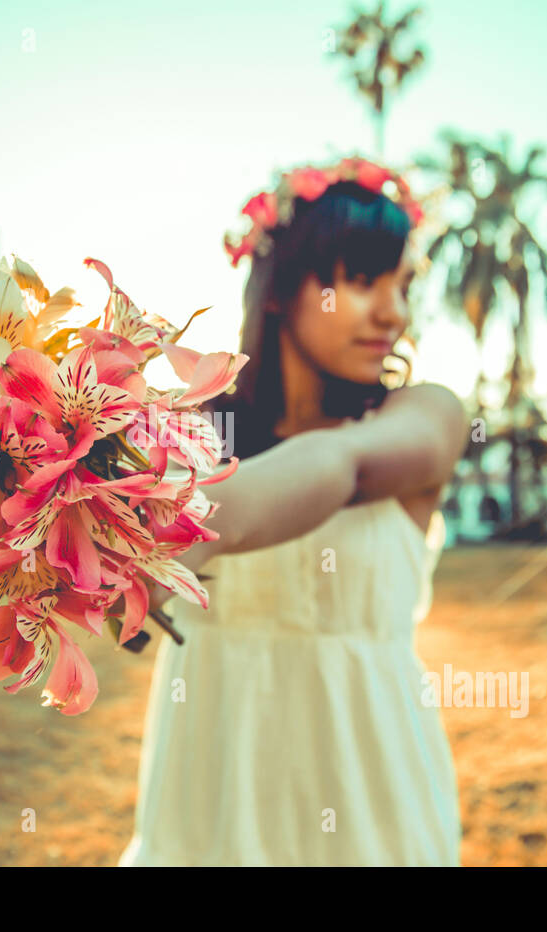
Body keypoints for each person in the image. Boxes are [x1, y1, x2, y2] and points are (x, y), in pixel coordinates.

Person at [117, 158, 469, 866]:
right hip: (213, 791)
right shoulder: (180, 434)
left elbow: (344, 466)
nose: (393, 313)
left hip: (374, 799)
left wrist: (189, 533)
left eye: (402, 285)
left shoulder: (427, 415)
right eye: (362, 280)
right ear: (281, 288)